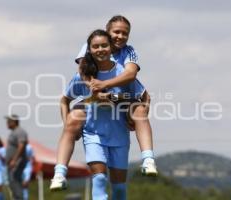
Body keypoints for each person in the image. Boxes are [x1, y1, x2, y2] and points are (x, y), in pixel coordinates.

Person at [51, 15, 157, 191]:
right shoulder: (91, 48)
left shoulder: (126, 57)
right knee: (74, 118)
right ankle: (60, 172)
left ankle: (148, 159)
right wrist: (94, 92)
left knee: (119, 187)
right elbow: (82, 70)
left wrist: (107, 91)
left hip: (119, 114)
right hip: (94, 118)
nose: (120, 36)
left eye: (125, 33)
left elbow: (132, 78)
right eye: (116, 32)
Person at [5, 114, 28, 200]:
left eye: (9, 121)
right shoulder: (14, 132)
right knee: (12, 183)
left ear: (14, 122)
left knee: (16, 183)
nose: (7, 123)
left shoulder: (20, 131)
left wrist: (14, 160)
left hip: (16, 163)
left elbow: (21, 145)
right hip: (11, 164)